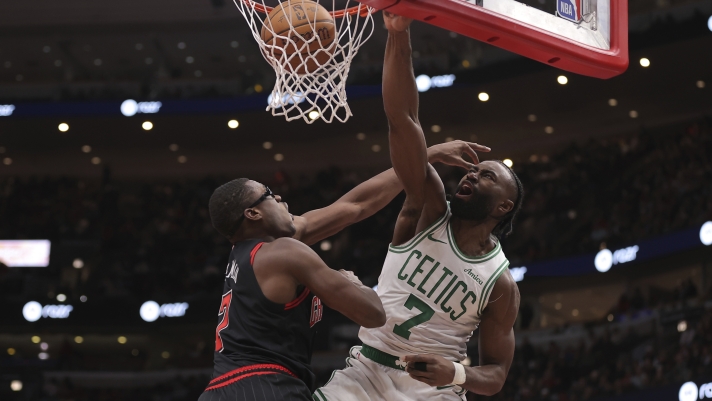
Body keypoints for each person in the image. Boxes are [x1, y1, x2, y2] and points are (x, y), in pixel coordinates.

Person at [314, 12, 523, 401]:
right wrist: (398, 32)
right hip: (366, 372)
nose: (472, 175)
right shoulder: (427, 208)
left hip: (433, 391)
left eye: (487, 177)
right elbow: (403, 119)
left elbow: (495, 375)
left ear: (503, 207)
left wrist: (458, 372)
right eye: (472, 171)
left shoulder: (500, 283)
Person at [198, 140, 484, 401]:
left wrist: (426, 156)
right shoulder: (284, 252)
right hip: (264, 387)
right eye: (269, 194)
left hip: (222, 389)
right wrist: (354, 283)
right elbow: (373, 314)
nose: (281, 198)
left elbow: (355, 205)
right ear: (253, 213)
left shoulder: (250, 256)